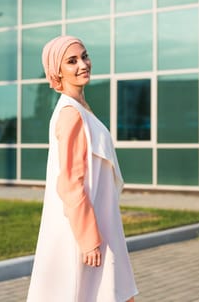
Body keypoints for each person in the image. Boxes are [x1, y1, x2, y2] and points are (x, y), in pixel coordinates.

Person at [27, 35, 138, 302]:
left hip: (101, 222)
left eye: (84, 56)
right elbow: (69, 182)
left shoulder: (80, 109)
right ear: (57, 71)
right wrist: (89, 239)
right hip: (87, 231)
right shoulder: (70, 114)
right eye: (72, 61)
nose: (83, 64)